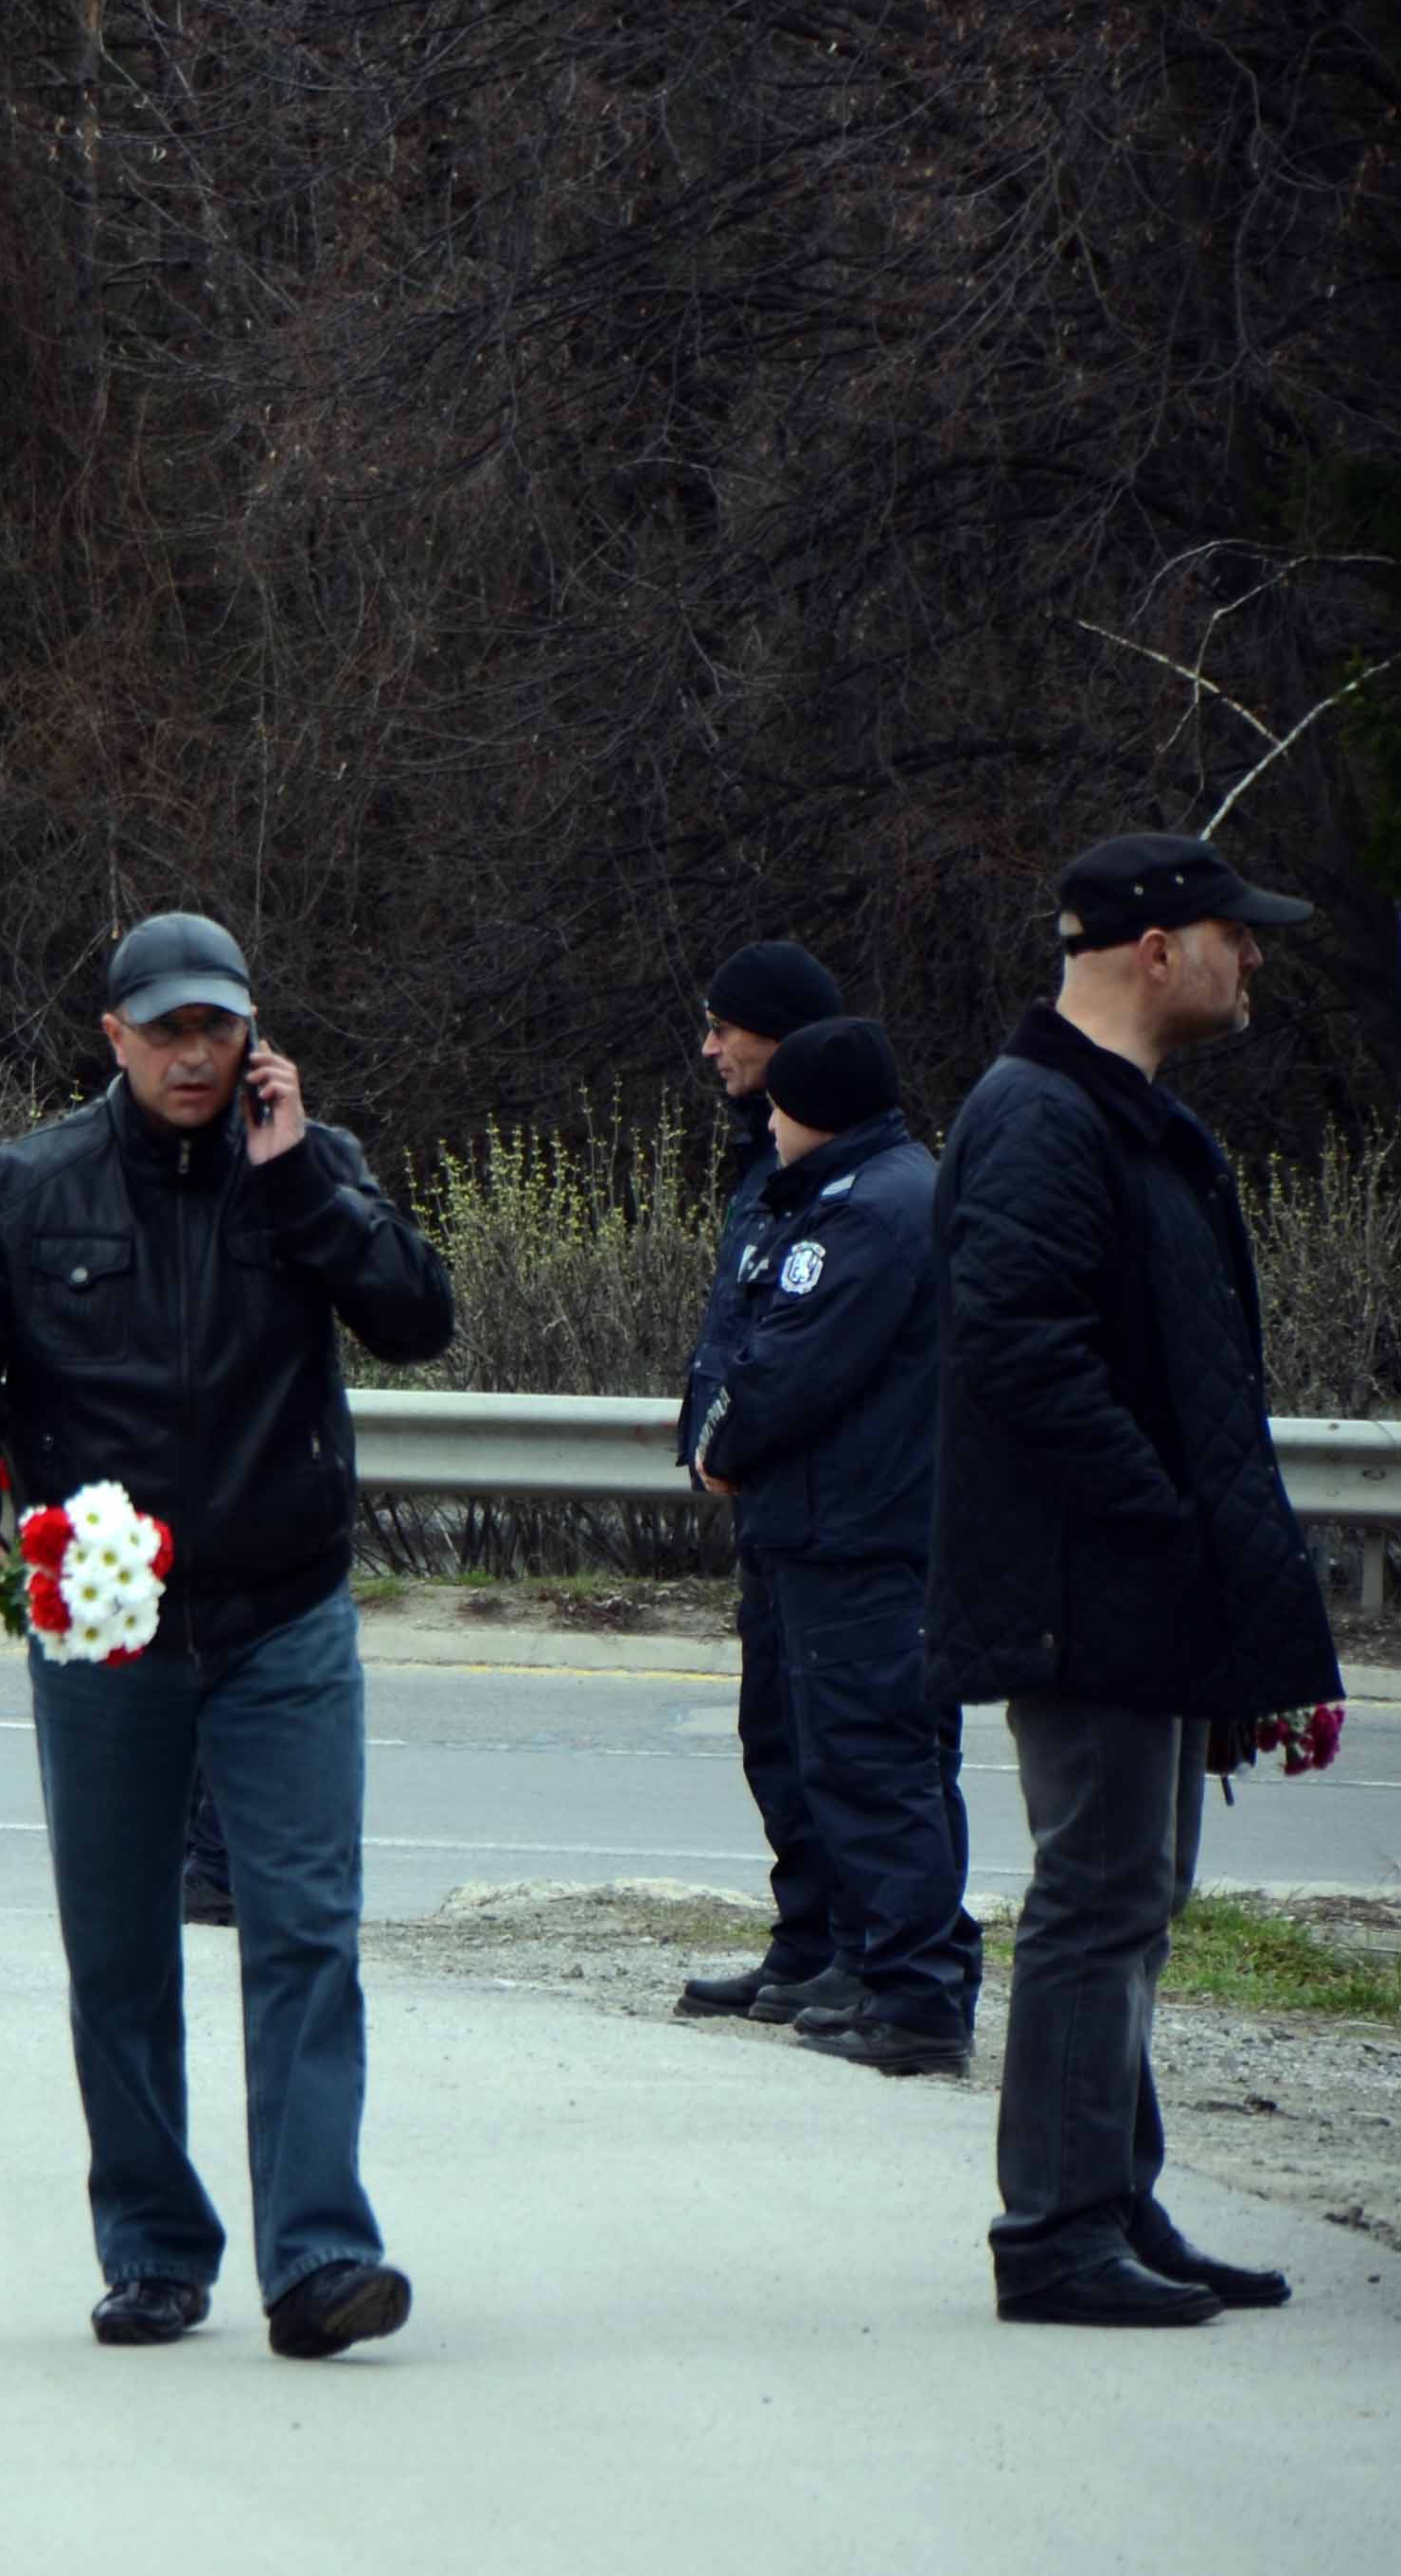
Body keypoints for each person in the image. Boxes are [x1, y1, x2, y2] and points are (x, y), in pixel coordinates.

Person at [0, 913, 455, 2358]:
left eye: (216, 1029)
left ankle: (319, 2256)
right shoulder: (27, 1185)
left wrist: (303, 1185)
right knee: (120, 1950)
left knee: (303, 1934)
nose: (193, 1056)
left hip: (281, 1615)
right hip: (102, 1618)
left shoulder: (304, 1169)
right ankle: (151, 2247)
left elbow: (414, 1320)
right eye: (166, 1032)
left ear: (249, 1033)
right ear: (115, 1039)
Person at [931, 833, 1338, 2329]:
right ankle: (1048, 2234)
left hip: (1133, 1576)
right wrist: (1159, 1518)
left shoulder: (1124, 1116)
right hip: (1082, 1583)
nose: (1253, 959)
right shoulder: (1041, 1116)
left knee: (1133, 1897)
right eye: (1235, 932)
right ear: (1153, 947)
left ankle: (1111, 2199)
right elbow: (1015, 1347)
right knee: (1094, 1899)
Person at [686, 1017, 982, 2070]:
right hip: (841, 1524)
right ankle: (869, 1965)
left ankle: (916, 1995)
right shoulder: (858, 1191)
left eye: (778, 1105)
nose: (763, 1119)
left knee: (875, 1757)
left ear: (817, 1107)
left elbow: (793, 1363)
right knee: (846, 1753)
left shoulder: (869, 1209)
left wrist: (723, 1441)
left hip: (861, 1529)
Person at [671, 936, 852, 2022]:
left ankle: (857, 1953)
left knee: (838, 1744)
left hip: (828, 1513)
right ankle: (806, 1946)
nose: (709, 1047)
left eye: (724, 1028)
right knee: (775, 1737)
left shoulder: (835, 1176)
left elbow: (805, 1349)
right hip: (772, 1511)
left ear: (780, 1039)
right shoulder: (768, 1163)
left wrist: (734, 1440)